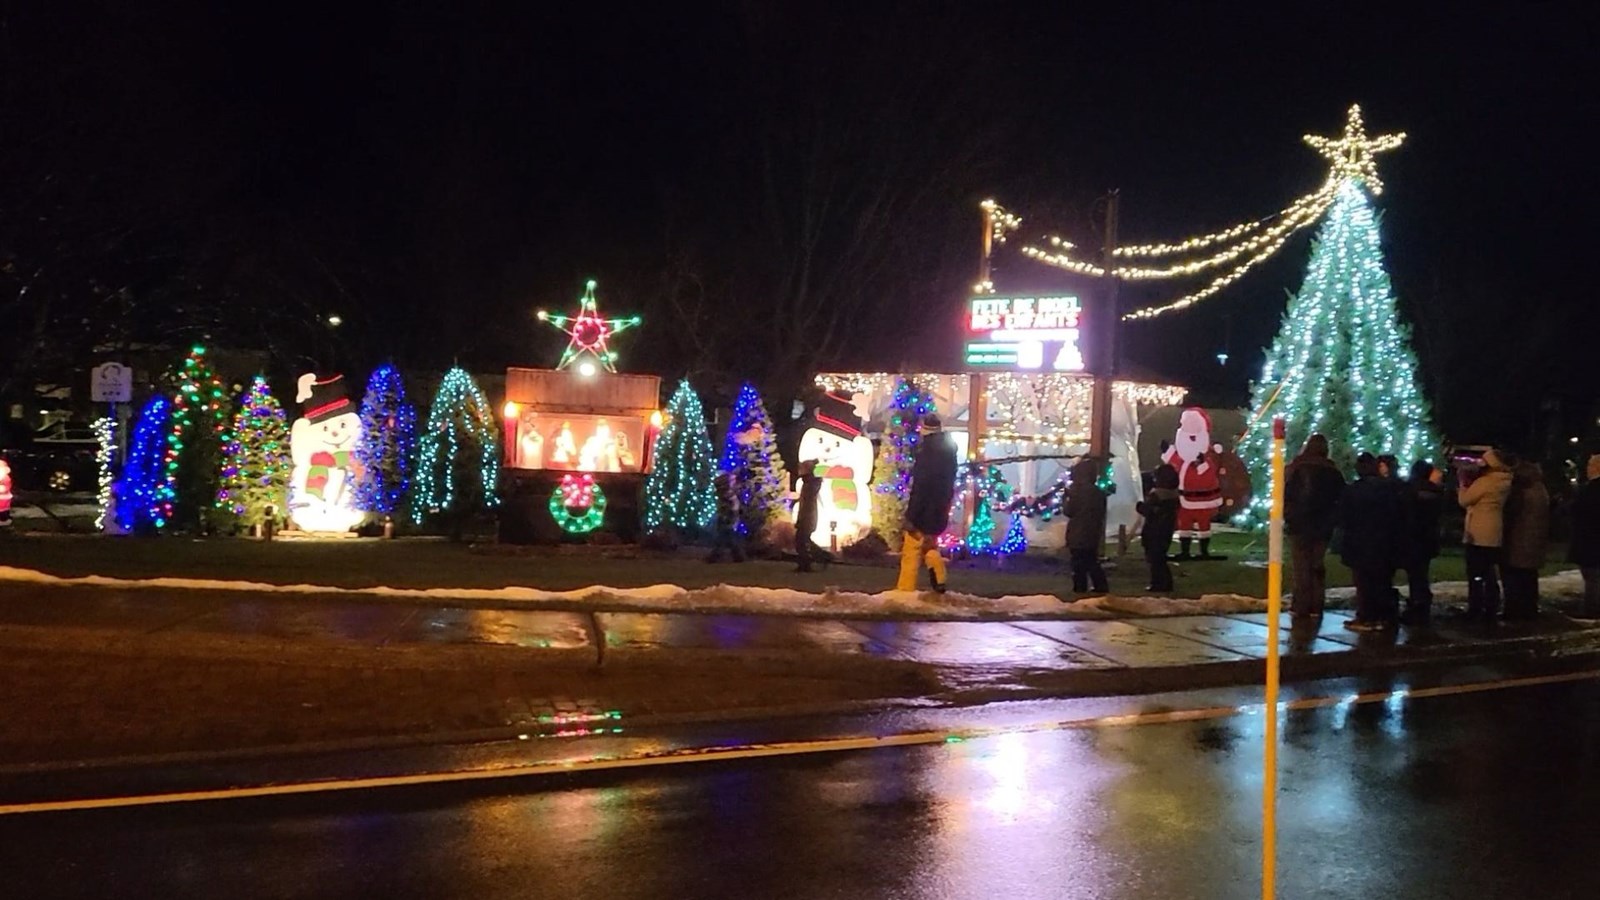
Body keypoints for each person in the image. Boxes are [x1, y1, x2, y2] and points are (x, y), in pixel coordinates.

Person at [1339, 452, 1405, 631]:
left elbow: (1344, 517)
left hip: (1360, 541)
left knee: (1364, 582)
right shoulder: (1388, 489)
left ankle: (1366, 617)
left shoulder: (1353, 490)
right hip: (1384, 541)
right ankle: (1382, 616)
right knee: (1381, 581)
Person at [1284, 433, 1345, 621]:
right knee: (1317, 565)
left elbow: (1287, 494)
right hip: (1322, 526)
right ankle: (1316, 605)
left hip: (1299, 524)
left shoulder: (1297, 468)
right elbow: (1340, 499)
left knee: (1301, 566)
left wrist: (1289, 516)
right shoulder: (1333, 472)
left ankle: (1300, 605)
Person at [898, 415, 958, 592]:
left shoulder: (926, 454)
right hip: (939, 508)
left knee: (911, 551)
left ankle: (904, 590)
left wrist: (912, 515)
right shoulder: (949, 453)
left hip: (923, 510)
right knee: (930, 545)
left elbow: (921, 487)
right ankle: (939, 578)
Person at [1459, 448, 1514, 620]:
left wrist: (1462, 485)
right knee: (1489, 572)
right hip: (1493, 532)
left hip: (1478, 532)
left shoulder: (1487, 482)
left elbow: (1465, 500)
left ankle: (1476, 607)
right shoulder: (1504, 480)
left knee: (1476, 572)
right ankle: (1491, 605)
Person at [1501, 460, 1550, 621]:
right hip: (1535, 540)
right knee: (1529, 576)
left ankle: (1513, 610)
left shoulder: (1521, 491)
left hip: (1518, 539)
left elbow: (1511, 514)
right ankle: (1529, 608)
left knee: (1514, 576)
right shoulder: (1540, 490)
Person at [1399, 461, 1445, 626]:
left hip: (1412, 537)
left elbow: (1404, 512)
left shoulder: (1408, 489)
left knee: (1415, 573)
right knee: (1421, 572)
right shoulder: (1435, 491)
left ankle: (1417, 605)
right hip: (1428, 537)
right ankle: (1422, 602)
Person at [1063, 457, 1110, 596]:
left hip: (1078, 532)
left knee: (1079, 563)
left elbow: (1069, 511)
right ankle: (1100, 585)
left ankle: (1080, 587)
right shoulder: (1098, 493)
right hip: (1093, 532)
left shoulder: (1076, 492)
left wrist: (1066, 499)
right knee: (1091, 560)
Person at [1567, 454, 1600, 620]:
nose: (1587, 468)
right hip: (1592, 539)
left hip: (1590, 540)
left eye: (1590, 465)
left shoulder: (1592, 489)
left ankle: (1591, 609)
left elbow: (1581, 510)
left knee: (1592, 577)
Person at [1137, 463, 1180, 592]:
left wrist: (1140, 506)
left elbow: (1150, 511)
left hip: (1154, 530)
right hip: (1166, 530)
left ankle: (1158, 584)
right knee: (1160, 558)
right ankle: (1165, 583)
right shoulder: (1173, 496)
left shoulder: (1158, 495)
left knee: (1155, 559)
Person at [793, 460, 828, 573]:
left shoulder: (811, 483)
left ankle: (808, 563)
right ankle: (819, 558)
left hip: (807, 516)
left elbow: (807, 503)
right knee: (803, 541)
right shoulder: (809, 483)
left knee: (801, 541)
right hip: (806, 516)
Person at [706, 470, 746, 563]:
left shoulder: (729, 494)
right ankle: (736, 556)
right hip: (727, 516)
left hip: (729, 516)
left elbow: (733, 506)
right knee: (727, 537)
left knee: (726, 537)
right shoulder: (726, 494)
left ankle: (717, 556)